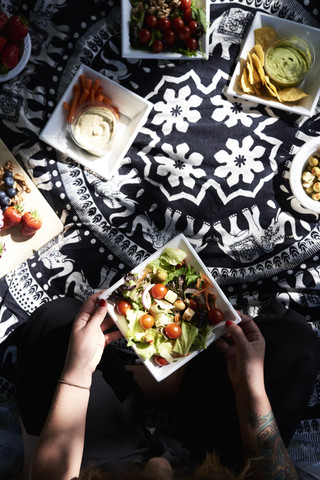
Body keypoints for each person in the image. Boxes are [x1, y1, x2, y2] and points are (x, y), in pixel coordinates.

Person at [16, 291, 320, 480]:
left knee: (57, 326)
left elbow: (52, 473)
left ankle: (128, 384)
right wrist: (249, 389)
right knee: (294, 344)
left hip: (106, 470)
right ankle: (165, 384)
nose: (159, 470)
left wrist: (79, 370)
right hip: (213, 465)